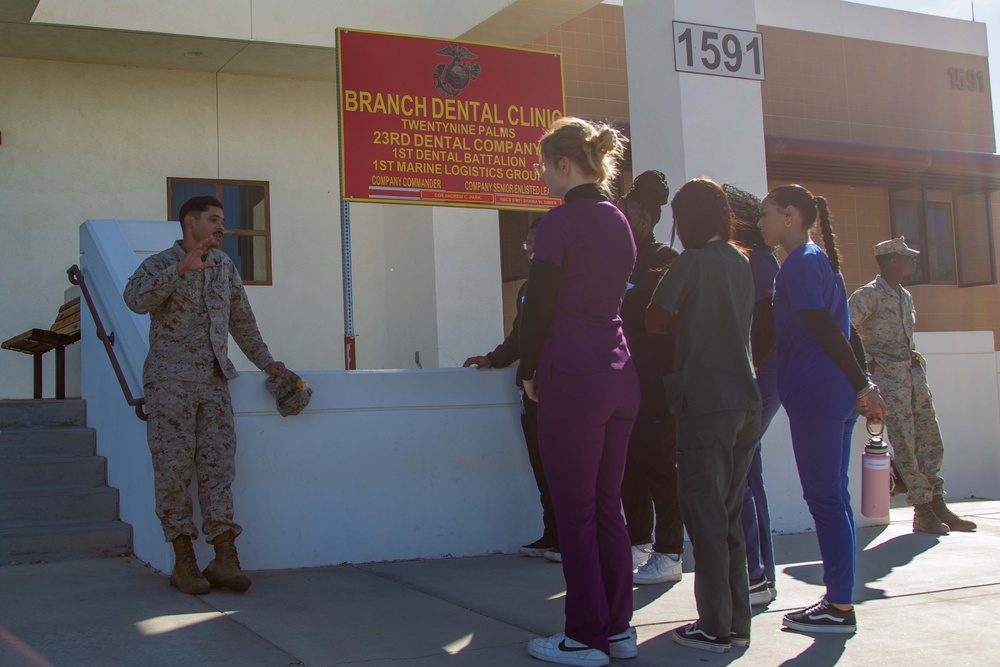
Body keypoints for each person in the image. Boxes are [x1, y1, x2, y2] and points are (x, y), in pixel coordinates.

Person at [519, 117, 639, 666]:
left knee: (574, 512)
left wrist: (527, 366)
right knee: (606, 507)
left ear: (565, 164)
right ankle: (618, 631)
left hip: (573, 373)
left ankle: (584, 638)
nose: (542, 175)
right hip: (619, 374)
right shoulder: (619, 219)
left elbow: (538, 304)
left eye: (545, 165)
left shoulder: (560, 222)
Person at [123, 195, 286, 595]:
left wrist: (268, 363)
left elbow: (241, 321)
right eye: (214, 219)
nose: (221, 226)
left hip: (214, 383)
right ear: (189, 221)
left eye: (223, 220)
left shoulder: (224, 266)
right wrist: (179, 269)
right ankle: (183, 562)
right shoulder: (158, 264)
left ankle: (225, 558)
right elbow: (134, 300)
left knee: (218, 470)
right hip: (170, 383)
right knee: (174, 471)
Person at [757, 184, 886, 634]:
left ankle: (838, 607)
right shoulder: (812, 261)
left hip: (819, 391)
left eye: (766, 214)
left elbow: (828, 332)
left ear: (790, 215)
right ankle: (839, 600)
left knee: (825, 498)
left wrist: (862, 383)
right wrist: (862, 384)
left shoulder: (800, 264)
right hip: (830, 391)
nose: (760, 223)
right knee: (834, 497)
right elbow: (844, 331)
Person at [646, 177, 762, 654]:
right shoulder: (741, 260)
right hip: (745, 401)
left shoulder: (690, 262)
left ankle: (713, 626)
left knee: (705, 517)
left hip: (704, 401)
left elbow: (656, 319)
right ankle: (737, 623)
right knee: (729, 517)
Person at [849, 237, 976, 534]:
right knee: (905, 442)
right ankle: (922, 510)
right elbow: (846, 329)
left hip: (913, 376)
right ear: (893, 260)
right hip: (889, 381)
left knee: (930, 438)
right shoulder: (868, 295)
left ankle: (936, 502)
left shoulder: (904, 295)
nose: (914, 261)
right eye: (908, 257)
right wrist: (868, 366)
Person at [463, 218, 561, 560]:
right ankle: (552, 534)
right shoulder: (526, 288)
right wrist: (492, 359)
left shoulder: (565, 283)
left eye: (537, 242)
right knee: (541, 464)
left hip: (561, 387)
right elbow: (520, 337)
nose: (532, 250)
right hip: (530, 393)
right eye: (527, 243)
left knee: (565, 466)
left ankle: (571, 539)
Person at [616, 170, 686, 584]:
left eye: (626, 212)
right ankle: (638, 540)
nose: (620, 218)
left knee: (661, 468)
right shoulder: (621, 256)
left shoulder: (664, 261)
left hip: (658, 382)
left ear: (643, 217)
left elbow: (658, 321)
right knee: (629, 466)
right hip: (625, 381)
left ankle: (670, 552)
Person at [724, 184, 781, 607]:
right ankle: (761, 577)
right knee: (749, 472)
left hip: (758, 381)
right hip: (761, 379)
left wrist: (746, 376)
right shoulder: (756, 260)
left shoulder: (755, 263)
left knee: (736, 471)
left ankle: (755, 574)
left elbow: (765, 327)